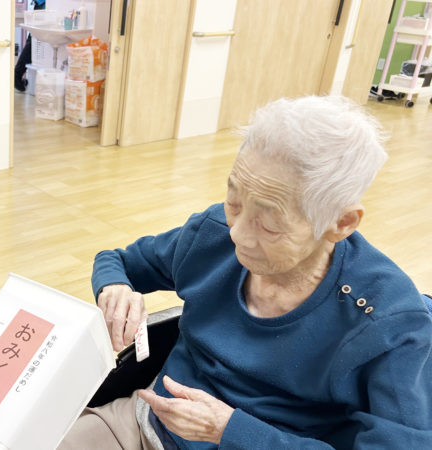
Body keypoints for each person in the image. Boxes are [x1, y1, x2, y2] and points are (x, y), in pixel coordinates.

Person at [59, 96, 432, 449]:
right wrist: (113, 287)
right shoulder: (214, 232)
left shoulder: (389, 322)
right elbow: (118, 260)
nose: (237, 235)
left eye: (269, 225)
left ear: (341, 222)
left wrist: (230, 430)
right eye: (235, 202)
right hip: (145, 425)